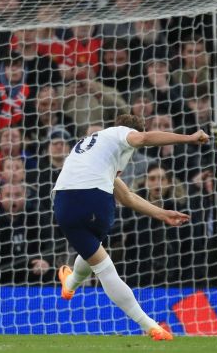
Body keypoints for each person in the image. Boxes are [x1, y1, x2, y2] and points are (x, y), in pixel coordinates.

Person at [54, 114, 209, 341]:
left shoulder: (89, 149)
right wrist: (188, 137)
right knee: (104, 267)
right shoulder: (119, 133)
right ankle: (151, 326)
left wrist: (162, 213)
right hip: (95, 200)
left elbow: (126, 195)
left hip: (64, 204)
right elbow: (142, 138)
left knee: (93, 254)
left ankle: (70, 283)